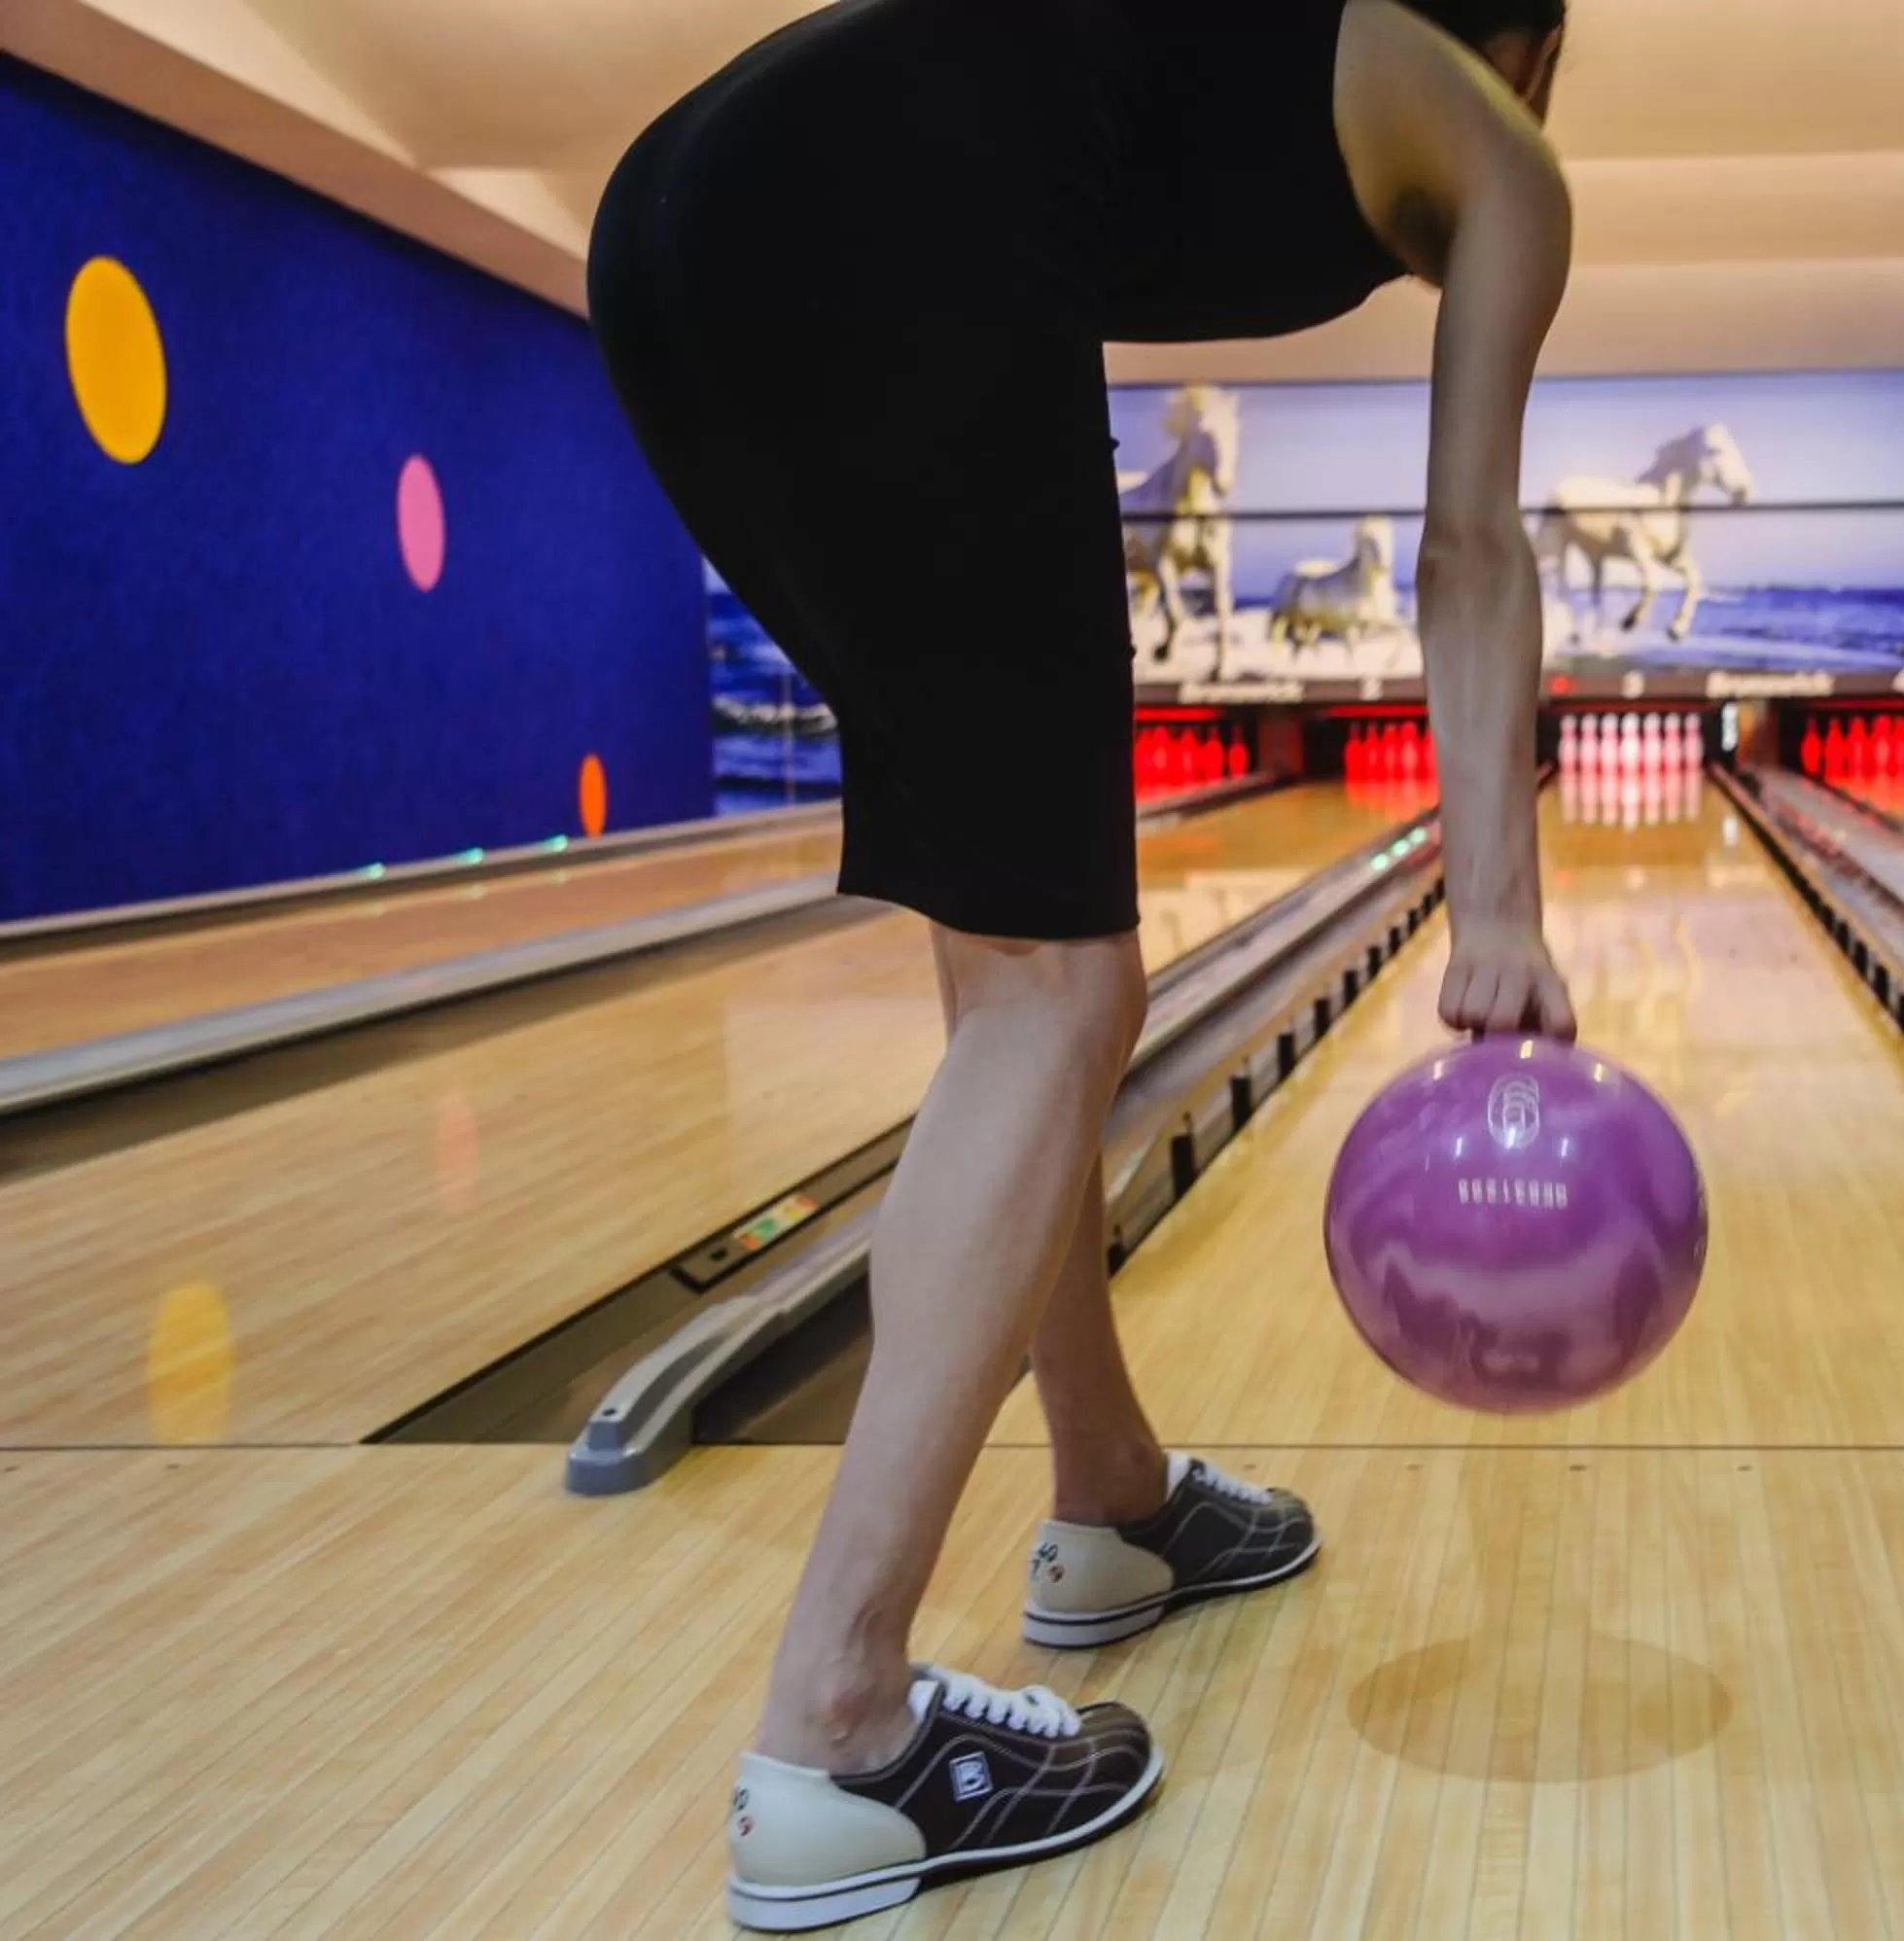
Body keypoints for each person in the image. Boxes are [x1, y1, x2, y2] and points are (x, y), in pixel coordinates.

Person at [585, 0, 1580, 1927]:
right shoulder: (1502, 146)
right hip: (899, 210)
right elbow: (1468, 548)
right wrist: (1502, 909)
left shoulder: (1242, 48)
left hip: (678, 225)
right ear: (1532, 42)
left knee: (1010, 960)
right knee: (1059, 986)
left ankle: (1110, 1494)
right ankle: (841, 1725)